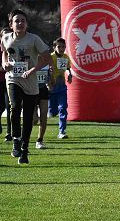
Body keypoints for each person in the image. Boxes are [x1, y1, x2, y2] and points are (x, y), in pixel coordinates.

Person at [1, 9, 51, 164]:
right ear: (11, 24)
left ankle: (24, 149)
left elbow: (47, 57)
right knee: (15, 106)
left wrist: (33, 69)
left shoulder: (34, 39)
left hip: (30, 81)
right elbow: (3, 52)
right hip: (13, 78)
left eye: (23, 20)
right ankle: (16, 140)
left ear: (27, 24)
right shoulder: (6, 38)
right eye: (17, 21)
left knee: (29, 116)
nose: (20, 23)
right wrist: (5, 63)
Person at [48, 37, 71, 140]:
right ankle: (51, 110)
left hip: (62, 87)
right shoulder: (51, 57)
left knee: (63, 108)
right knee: (52, 111)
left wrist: (70, 75)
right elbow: (46, 70)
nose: (61, 49)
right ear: (54, 47)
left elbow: (68, 68)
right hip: (52, 87)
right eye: (59, 46)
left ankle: (62, 131)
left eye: (63, 47)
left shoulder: (66, 57)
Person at [34, 54, 50, 149]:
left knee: (43, 117)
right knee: (34, 119)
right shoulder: (31, 60)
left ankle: (40, 140)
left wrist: (50, 82)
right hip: (31, 91)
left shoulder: (47, 62)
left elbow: (49, 79)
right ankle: (23, 138)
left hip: (43, 91)